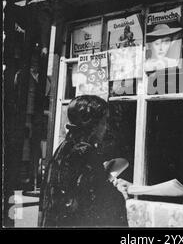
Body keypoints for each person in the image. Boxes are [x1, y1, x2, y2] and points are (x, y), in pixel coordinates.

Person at [40, 95, 132, 227]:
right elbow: (98, 199)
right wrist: (119, 194)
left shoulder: (65, 145)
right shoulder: (85, 151)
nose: (106, 128)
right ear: (93, 125)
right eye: (104, 122)